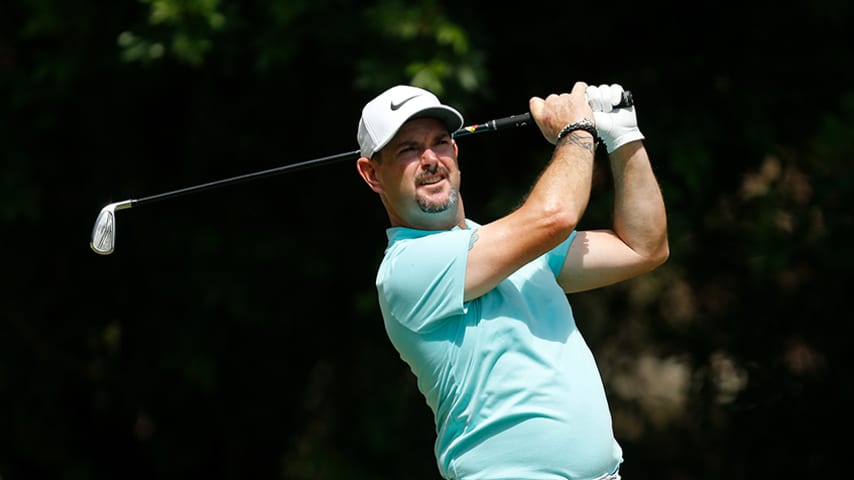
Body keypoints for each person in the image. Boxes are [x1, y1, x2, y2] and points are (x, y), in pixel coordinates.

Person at [355, 81, 669, 480]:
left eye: (440, 142)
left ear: (456, 152)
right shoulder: (406, 269)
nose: (431, 159)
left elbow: (643, 247)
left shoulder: (509, 246)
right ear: (372, 174)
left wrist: (624, 136)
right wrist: (578, 131)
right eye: (408, 150)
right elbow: (555, 216)